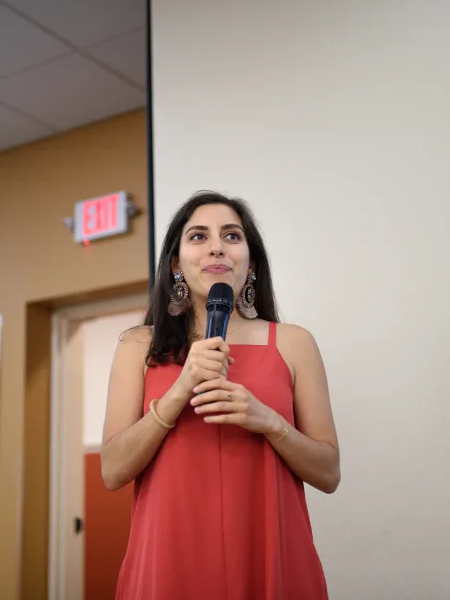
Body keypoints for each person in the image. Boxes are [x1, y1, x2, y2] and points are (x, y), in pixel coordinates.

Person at [101, 190, 339, 600]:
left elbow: (328, 472)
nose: (216, 246)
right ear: (176, 263)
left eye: (231, 236)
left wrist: (269, 422)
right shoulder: (138, 346)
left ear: (251, 263)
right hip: (170, 559)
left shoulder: (294, 344)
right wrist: (179, 391)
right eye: (198, 236)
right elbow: (112, 471)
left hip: (270, 556)